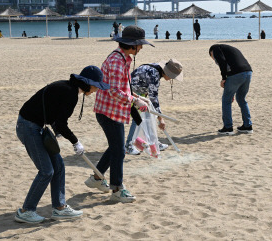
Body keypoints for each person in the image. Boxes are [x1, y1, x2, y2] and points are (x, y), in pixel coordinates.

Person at [15, 66, 108, 223]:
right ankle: (25, 211)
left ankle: (59, 208)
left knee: (58, 167)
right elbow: (62, 123)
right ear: (87, 83)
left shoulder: (68, 87)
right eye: (96, 86)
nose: (96, 90)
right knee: (46, 171)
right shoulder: (70, 93)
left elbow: (53, 112)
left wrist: (57, 130)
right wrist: (75, 142)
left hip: (35, 125)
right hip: (28, 127)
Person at [90, 25, 153, 203]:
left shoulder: (121, 57)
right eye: (139, 45)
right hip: (109, 112)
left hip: (110, 110)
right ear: (132, 45)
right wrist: (135, 101)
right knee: (119, 151)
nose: (141, 48)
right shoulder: (117, 61)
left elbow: (121, 88)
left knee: (115, 148)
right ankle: (117, 188)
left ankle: (96, 178)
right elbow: (115, 91)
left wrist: (138, 97)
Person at [125, 59, 184, 155]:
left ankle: (154, 142)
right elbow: (154, 100)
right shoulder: (154, 75)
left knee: (148, 117)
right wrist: (161, 119)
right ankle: (128, 145)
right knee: (137, 119)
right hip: (132, 93)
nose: (171, 79)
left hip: (140, 93)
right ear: (167, 73)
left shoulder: (156, 69)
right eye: (172, 76)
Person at [209, 44, 253, 135]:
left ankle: (228, 128)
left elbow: (222, 62)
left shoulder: (215, 49)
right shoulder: (231, 49)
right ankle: (248, 126)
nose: (214, 60)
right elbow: (233, 63)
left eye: (212, 57)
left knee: (226, 100)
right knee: (241, 99)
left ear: (211, 53)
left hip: (236, 74)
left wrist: (223, 78)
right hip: (248, 72)